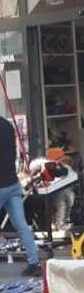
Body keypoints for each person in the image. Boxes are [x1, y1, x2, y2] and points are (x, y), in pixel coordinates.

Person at [0, 117, 41, 276]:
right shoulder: (8, 125)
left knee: (21, 225)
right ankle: (34, 263)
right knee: (22, 225)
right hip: (12, 184)